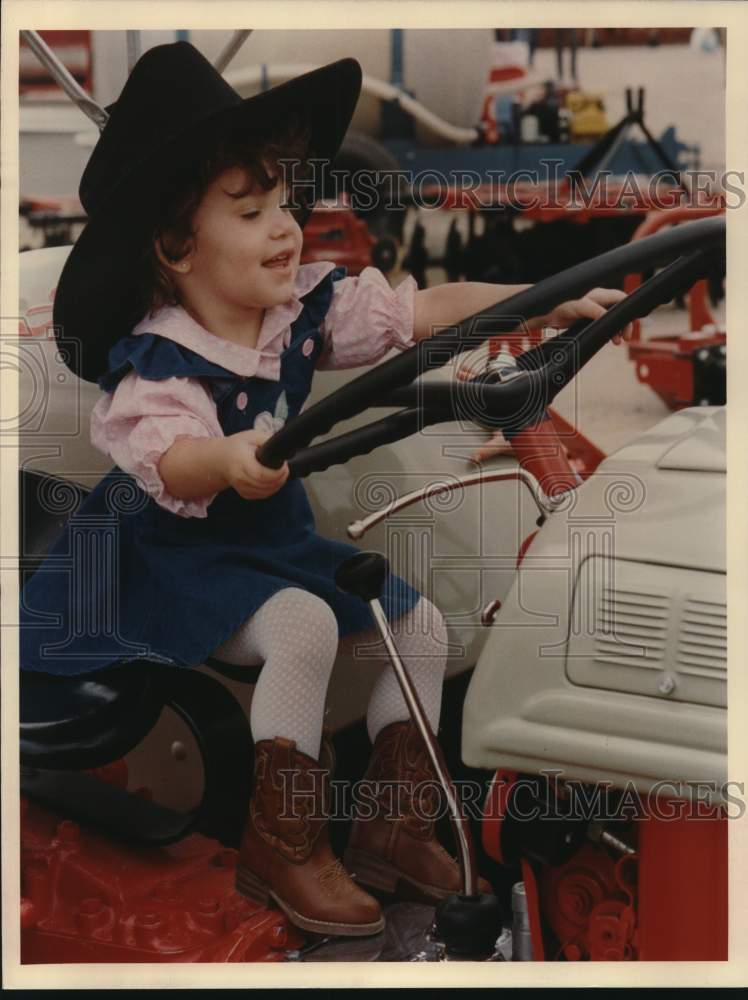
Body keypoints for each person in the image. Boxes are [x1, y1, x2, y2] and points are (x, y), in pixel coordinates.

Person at [20, 42, 632, 938]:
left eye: (284, 203)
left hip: (267, 545)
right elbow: (171, 461)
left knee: (419, 622)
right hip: (165, 561)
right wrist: (226, 459)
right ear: (174, 245)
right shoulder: (159, 363)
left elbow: (419, 311)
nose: (285, 226)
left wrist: (537, 296)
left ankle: (393, 826)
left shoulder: (298, 311)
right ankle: (285, 846)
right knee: (304, 625)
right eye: (250, 209)